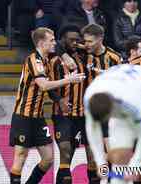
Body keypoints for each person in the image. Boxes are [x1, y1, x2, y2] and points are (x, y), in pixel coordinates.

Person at [8, 27, 85, 184]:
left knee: (48, 159)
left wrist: (64, 56)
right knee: (21, 156)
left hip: (38, 117)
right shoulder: (34, 59)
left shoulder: (46, 60)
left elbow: (63, 46)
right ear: (42, 43)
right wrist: (69, 80)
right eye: (51, 40)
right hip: (23, 115)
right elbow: (43, 85)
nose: (54, 43)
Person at [85, 64, 141, 184]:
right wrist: (101, 163)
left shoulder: (132, 104)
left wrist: (136, 165)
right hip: (123, 89)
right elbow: (92, 131)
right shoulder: (89, 98)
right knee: (119, 157)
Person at [82, 23, 123, 183]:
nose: (87, 44)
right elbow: (61, 46)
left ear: (100, 39)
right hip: (89, 114)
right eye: (85, 41)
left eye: (90, 41)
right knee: (92, 159)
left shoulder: (114, 58)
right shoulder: (83, 54)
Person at [50, 25, 88, 184]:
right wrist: (59, 100)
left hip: (81, 115)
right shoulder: (55, 60)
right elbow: (49, 86)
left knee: (71, 154)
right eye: (70, 39)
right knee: (65, 150)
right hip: (62, 114)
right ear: (63, 40)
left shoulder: (84, 57)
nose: (74, 42)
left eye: (76, 40)